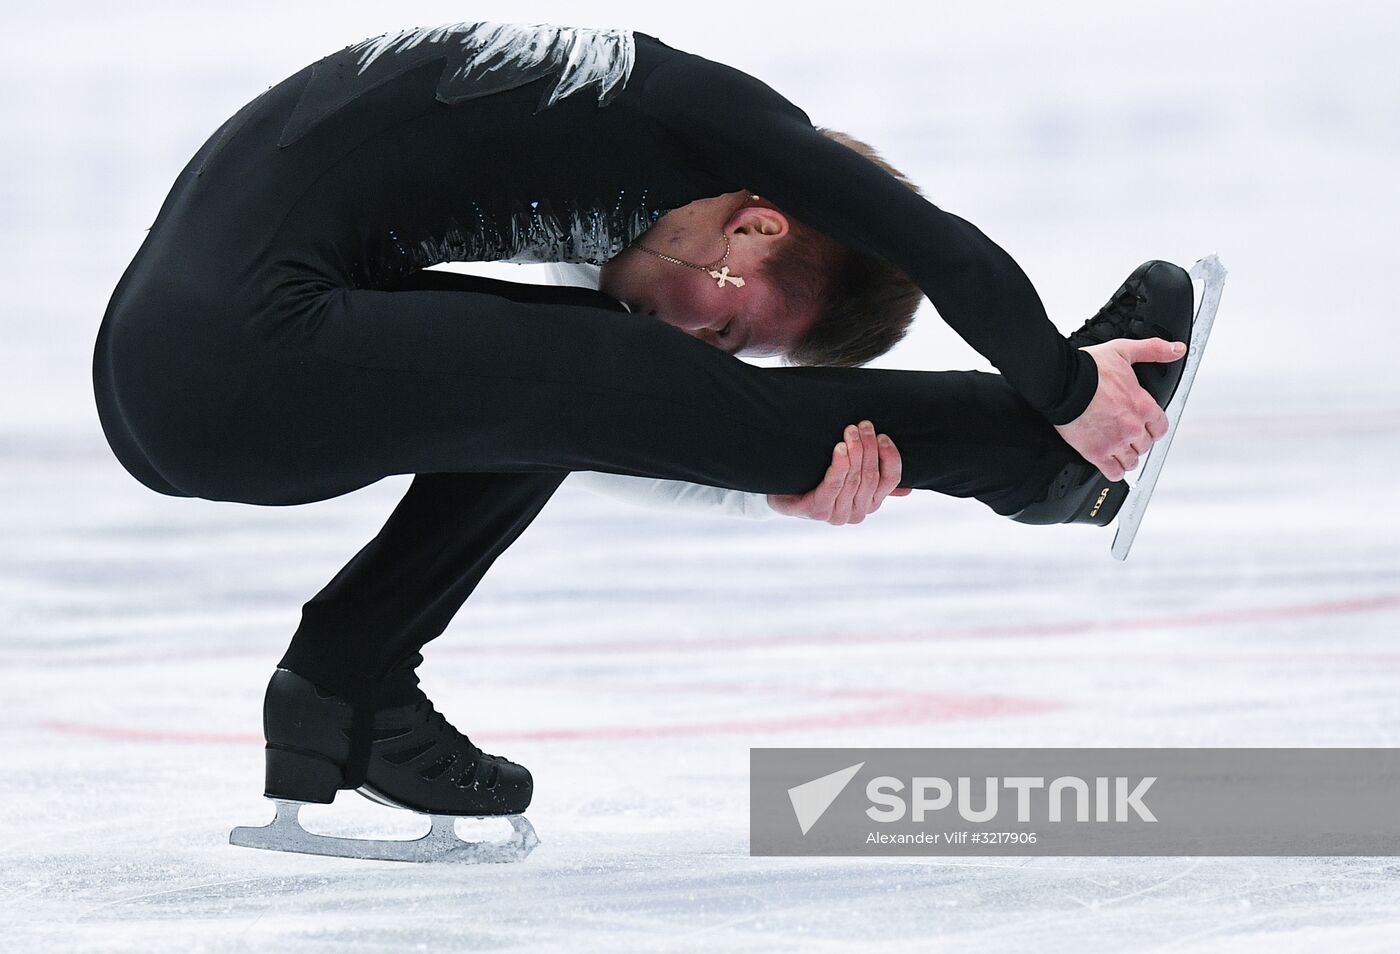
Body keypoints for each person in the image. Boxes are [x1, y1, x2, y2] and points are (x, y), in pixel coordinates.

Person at [92, 21, 1190, 858]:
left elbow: (593, 414)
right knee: (589, 365)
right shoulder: (708, 120)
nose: (700, 345)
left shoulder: (606, 172)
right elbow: (940, 251)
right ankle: (1031, 462)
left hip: (177, 368)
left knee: (572, 362)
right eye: (730, 326)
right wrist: (1056, 388)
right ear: (756, 224)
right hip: (228, 361)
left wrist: (767, 483)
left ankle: (346, 688)